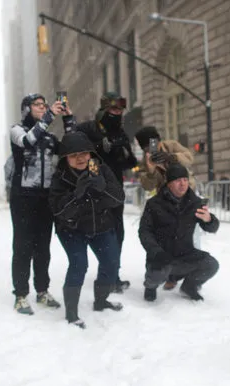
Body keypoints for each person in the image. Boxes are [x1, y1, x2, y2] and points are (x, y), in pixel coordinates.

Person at [49, 131, 125, 329]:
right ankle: (71, 313)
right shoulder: (60, 177)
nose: (80, 158)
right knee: (79, 264)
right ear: (66, 158)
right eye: (74, 155)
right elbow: (60, 212)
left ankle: (101, 300)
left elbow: (118, 198)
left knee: (111, 262)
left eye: (84, 153)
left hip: (100, 225)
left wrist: (102, 187)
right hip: (71, 229)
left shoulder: (99, 169)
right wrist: (76, 194)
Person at [8, 93, 67, 315]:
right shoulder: (17, 130)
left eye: (44, 105)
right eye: (37, 105)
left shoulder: (50, 137)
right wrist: (51, 115)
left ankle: (42, 290)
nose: (42, 108)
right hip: (22, 198)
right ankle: (21, 294)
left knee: (43, 248)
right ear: (26, 109)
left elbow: (70, 148)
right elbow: (27, 141)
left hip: (45, 198)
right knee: (23, 247)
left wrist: (68, 119)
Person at [74, 92, 137, 291]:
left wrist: (126, 153)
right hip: (94, 192)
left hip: (114, 191)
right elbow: (75, 150)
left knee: (117, 234)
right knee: (101, 236)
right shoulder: (88, 129)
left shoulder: (120, 133)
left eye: (119, 110)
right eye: (113, 109)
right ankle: (105, 277)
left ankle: (113, 275)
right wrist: (99, 147)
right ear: (104, 110)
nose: (116, 113)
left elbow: (130, 163)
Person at [138, 163, 220, 302]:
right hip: (161, 255)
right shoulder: (154, 204)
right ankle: (150, 286)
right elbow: (144, 232)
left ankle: (189, 287)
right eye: (177, 181)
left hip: (185, 254)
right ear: (169, 183)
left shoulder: (195, 203)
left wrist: (209, 220)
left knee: (211, 264)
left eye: (185, 180)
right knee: (156, 272)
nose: (182, 184)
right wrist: (156, 252)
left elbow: (212, 228)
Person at [134, 126, 196, 193]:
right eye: (147, 149)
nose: (152, 150)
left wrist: (173, 157)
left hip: (187, 191)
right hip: (166, 196)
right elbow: (147, 187)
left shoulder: (171, 146)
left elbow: (190, 158)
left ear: (159, 141)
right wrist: (151, 173)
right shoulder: (146, 162)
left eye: (153, 145)